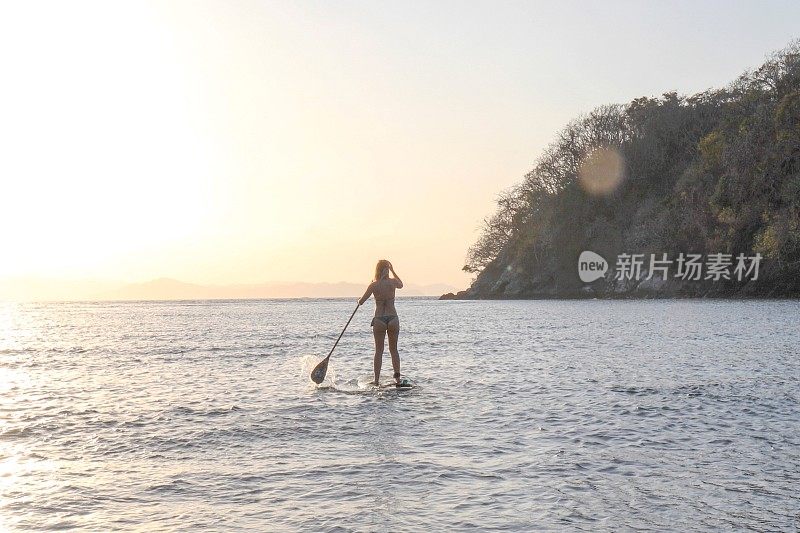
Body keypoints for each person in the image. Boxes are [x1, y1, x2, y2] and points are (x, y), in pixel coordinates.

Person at [358, 259, 403, 385]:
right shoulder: (393, 282)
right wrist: (394, 270)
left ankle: (376, 381)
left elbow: (361, 301)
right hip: (393, 318)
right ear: (388, 270)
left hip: (379, 320)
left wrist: (359, 299)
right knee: (394, 350)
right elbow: (401, 284)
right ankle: (397, 378)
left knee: (379, 351)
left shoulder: (374, 285)